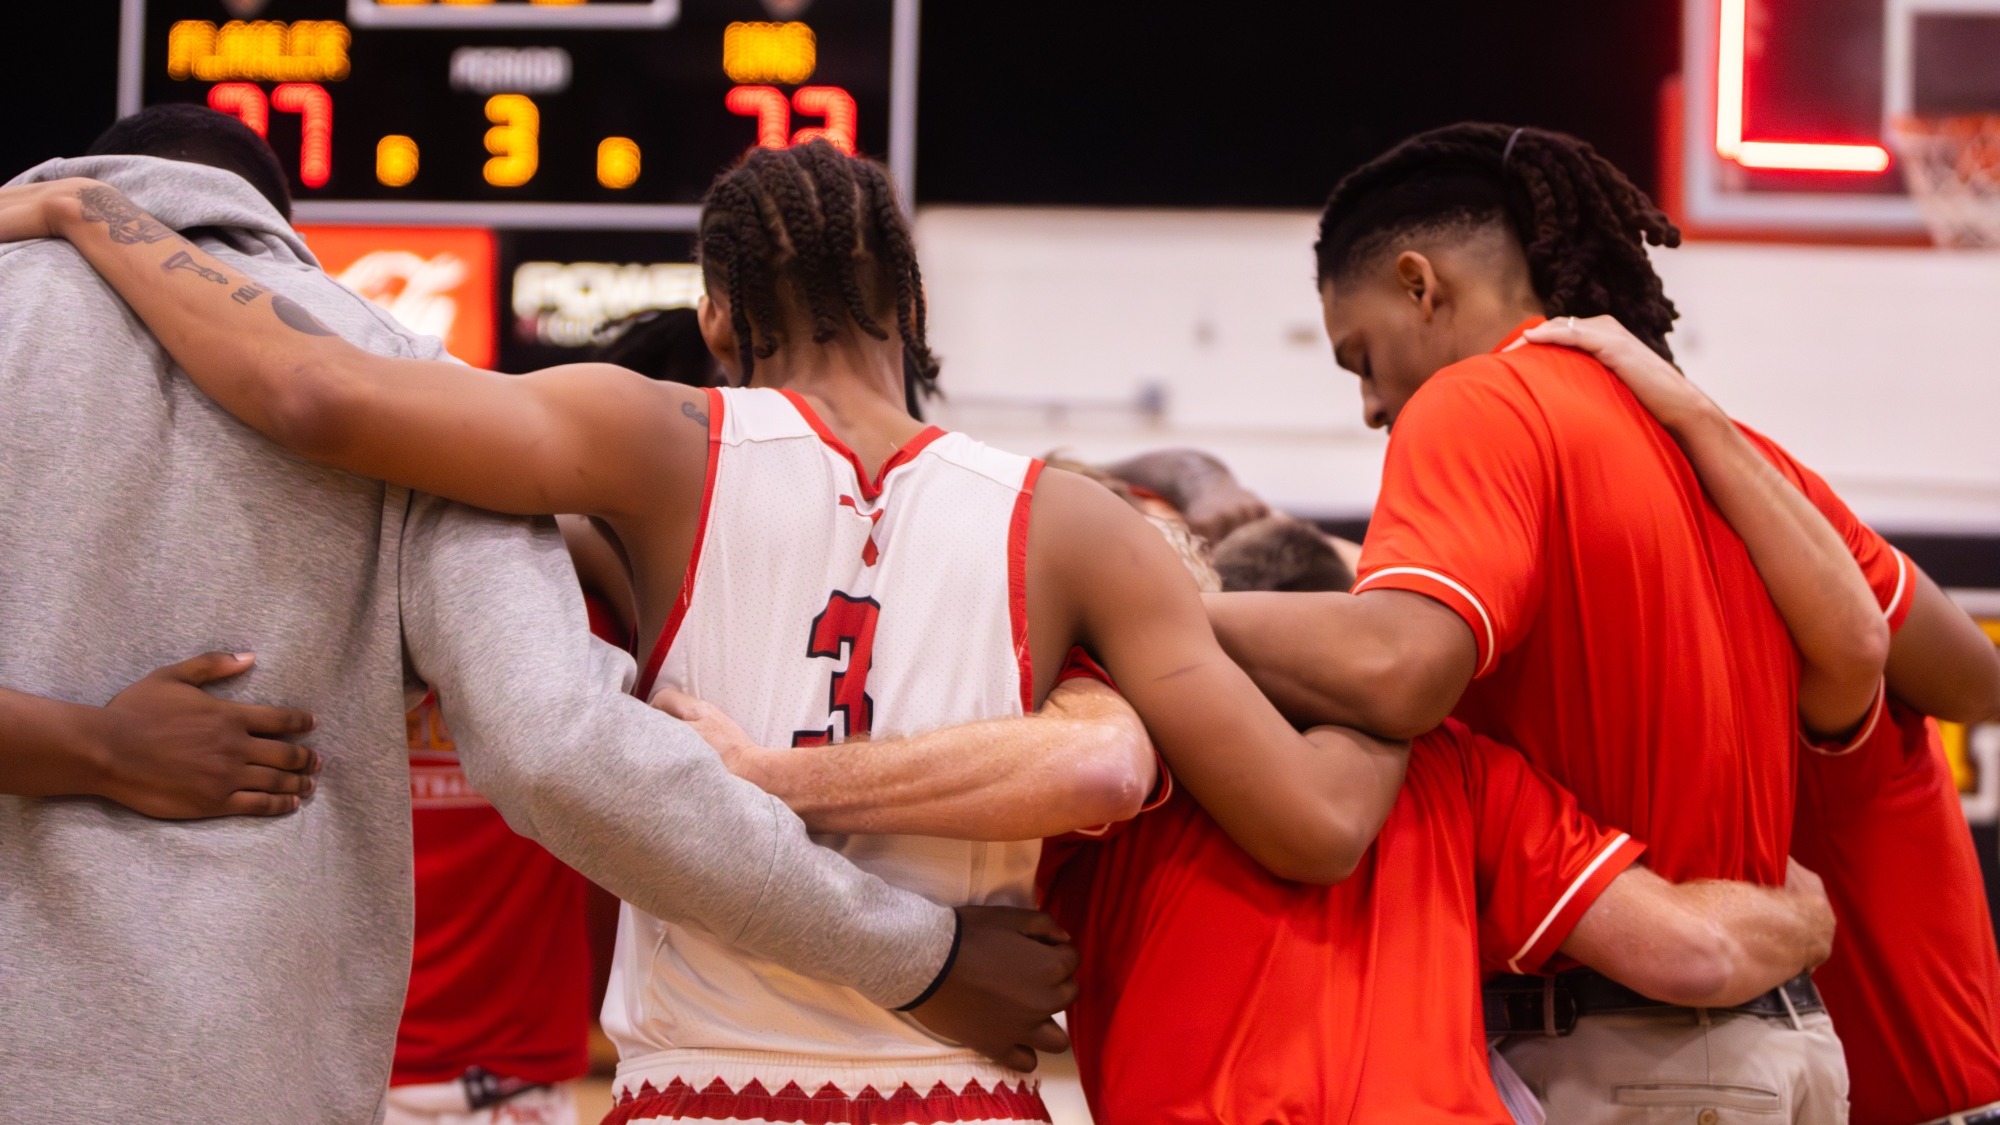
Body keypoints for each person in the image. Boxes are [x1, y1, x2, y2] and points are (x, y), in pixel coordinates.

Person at [2, 140, 1411, 1122]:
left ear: (720, 317)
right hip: (962, 1077)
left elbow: (314, 395)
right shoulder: (1082, 525)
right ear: (912, 306)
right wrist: (1417, 699)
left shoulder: (645, 443)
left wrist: (90, 219)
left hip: (703, 1086)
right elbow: (1311, 828)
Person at [1199, 122, 1885, 1120]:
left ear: (1417, 284)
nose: (1366, 404)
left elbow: (1401, 664)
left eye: (1359, 356)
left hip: (1625, 1050)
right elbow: (1856, 657)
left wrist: (1171, 617)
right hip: (1780, 1047)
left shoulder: (1473, 402)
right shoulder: (1682, 429)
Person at [1531, 314, 2000, 1125]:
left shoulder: (1753, 500)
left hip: (1926, 1099)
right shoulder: (1606, 638)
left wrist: (1699, 417)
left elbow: (1960, 676)